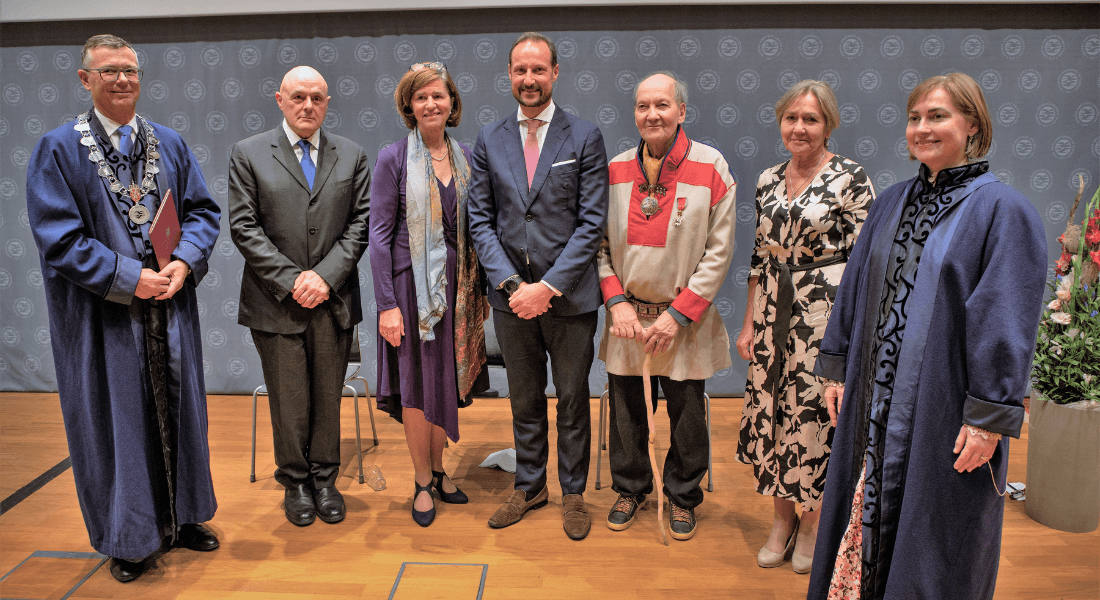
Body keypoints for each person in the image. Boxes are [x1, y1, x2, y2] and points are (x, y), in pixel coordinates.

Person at [807, 73, 1046, 599]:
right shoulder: (891, 202)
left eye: (937, 116)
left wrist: (987, 419)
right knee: (863, 516)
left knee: (934, 535)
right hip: (872, 405)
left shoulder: (1003, 212)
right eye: (915, 118)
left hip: (942, 412)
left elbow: (1005, 322)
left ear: (973, 125)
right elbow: (854, 288)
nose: (922, 128)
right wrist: (838, 365)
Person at [26, 34, 221, 583]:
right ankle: (128, 539)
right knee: (115, 425)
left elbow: (203, 212)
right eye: (108, 71)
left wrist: (183, 261)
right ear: (85, 79)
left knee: (181, 413)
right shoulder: (58, 149)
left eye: (130, 70)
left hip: (171, 311)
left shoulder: (170, 143)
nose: (122, 80)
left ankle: (184, 519)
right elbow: (58, 239)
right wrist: (130, 278)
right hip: (105, 318)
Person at [467, 31, 609, 540]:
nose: (529, 79)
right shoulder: (489, 138)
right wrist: (511, 286)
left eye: (539, 69)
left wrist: (545, 287)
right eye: (520, 70)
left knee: (572, 398)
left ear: (555, 73)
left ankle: (573, 492)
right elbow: (480, 221)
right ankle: (530, 486)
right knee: (523, 398)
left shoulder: (585, 136)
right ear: (509, 75)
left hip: (569, 299)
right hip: (511, 303)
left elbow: (592, 223)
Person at [734, 80, 875, 573]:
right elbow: (757, 256)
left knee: (813, 415)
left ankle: (813, 522)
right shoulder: (769, 178)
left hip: (824, 316)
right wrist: (750, 321)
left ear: (828, 124)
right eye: (792, 118)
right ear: (780, 122)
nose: (799, 128)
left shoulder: (850, 177)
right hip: (773, 311)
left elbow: (866, 263)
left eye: (810, 119)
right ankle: (781, 519)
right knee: (772, 412)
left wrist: (854, 332)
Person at [228, 66, 371, 528]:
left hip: (333, 299)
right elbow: (244, 228)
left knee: (327, 395)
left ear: (327, 102)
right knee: (289, 398)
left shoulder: (351, 155)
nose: (308, 105)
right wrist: (294, 280)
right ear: (279, 100)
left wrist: (324, 278)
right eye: (298, 97)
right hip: (275, 302)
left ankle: (325, 478)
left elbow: (361, 224)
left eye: (317, 98)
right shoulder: (248, 153)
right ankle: (294, 481)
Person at [598, 72, 736, 541]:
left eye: (662, 105)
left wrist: (677, 315)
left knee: (687, 417)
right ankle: (631, 487)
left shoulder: (711, 166)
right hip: (627, 318)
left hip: (684, 321)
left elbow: (719, 252)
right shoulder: (615, 168)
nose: (652, 114)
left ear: (682, 112)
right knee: (627, 412)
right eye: (642, 106)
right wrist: (616, 303)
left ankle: (682, 495)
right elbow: (598, 246)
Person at [369, 62, 489, 527]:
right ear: (409, 107)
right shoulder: (393, 158)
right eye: (421, 98)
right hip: (410, 292)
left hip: (458, 293)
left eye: (438, 95)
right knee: (418, 389)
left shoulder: (469, 157)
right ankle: (421, 481)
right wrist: (387, 306)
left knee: (444, 384)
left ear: (451, 103)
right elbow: (379, 237)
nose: (431, 104)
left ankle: (439, 472)